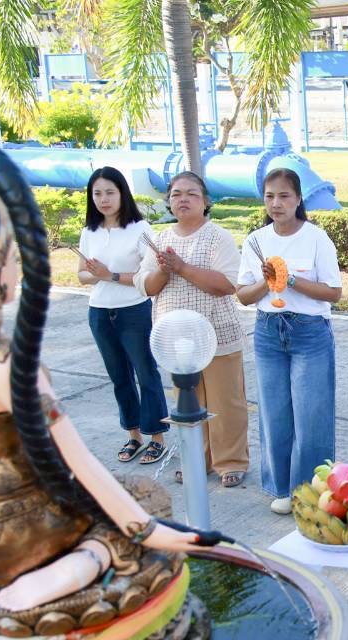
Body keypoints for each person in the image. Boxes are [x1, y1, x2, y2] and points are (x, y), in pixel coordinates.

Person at [0, 132, 205, 638]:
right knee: (133, 509)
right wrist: (153, 530)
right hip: (15, 525)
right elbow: (84, 468)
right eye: (11, 255)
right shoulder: (7, 366)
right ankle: (66, 573)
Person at [135, 171, 249, 488]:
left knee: (225, 402)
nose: (182, 199)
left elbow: (227, 284)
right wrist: (163, 268)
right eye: (176, 194)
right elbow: (148, 287)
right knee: (189, 402)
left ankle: (231, 461)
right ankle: (197, 461)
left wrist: (182, 268)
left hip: (216, 333)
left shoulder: (218, 237)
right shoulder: (159, 239)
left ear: (205, 201)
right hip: (176, 340)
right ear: (169, 202)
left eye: (191, 193)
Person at [237, 169, 341, 514]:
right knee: (274, 412)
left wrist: (291, 279)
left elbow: (333, 292)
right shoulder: (256, 240)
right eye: (269, 196)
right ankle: (282, 488)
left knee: (311, 415)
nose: (276, 203)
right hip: (268, 330)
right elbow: (243, 295)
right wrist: (267, 283)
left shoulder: (316, 238)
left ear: (298, 199)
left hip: (309, 331)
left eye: (284, 196)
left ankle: (311, 490)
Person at [78, 167, 168, 465]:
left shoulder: (140, 230)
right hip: (100, 313)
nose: (104, 199)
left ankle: (156, 436)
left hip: (134, 311)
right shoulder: (89, 232)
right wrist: (94, 275)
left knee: (146, 373)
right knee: (119, 377)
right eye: (97, 193)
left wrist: (110, 274)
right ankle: (133, 436)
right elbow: (81, 275)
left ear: (122, 194)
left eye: (110, 192)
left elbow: (150, 275)